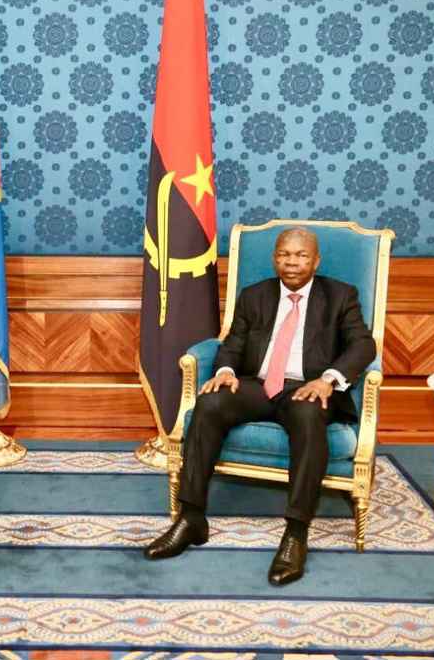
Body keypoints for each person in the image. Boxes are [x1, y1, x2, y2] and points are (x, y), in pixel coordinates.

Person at [144, 226, 376, 585]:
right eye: (284, 254)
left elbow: (363, 345)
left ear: (316, 261)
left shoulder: (340, 296)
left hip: (307, 387)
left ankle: (296, 534)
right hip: (258, 385)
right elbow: (233, 343)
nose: (292, 262)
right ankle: (191, 518)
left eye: (301, 255)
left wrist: (327, 380)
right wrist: (225, 371)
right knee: (209, 403)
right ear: (274, 259)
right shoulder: (254, 296)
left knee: (308, 414)